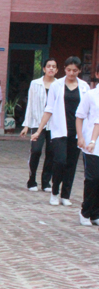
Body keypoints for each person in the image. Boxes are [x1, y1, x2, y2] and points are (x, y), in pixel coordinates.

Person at [32, 56, 90, 206]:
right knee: (60, 161)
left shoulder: (84, 87)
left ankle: (65, 195)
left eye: (75, 70)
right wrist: (39, 130)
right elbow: (49, 109)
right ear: (64, 69)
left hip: (77, 131)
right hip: (59, 130)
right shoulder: (56, 85)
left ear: (79, 70)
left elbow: (88, 111)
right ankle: (54, 191)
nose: (71, 73)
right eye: (69, 70)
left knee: (71, 163)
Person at [20, 58, 57, 192]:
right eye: (49, 66)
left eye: (54, 66)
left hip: (53, 125)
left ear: (57, 70)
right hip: (37, 123)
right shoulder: (35, 84)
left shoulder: (59, 85)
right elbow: (30, 104)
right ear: (44, 69)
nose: (51, 68)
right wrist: (26, 125)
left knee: (51, 153)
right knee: (36, 151)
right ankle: (32, 180)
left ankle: (46, 182)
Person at [75, 63, 99, 226]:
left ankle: (95, 213)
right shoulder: (91, 95)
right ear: (97, 74)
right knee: (93, 178)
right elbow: (80, 116)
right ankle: (85, 211)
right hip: (91, 144)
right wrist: (80, 137)